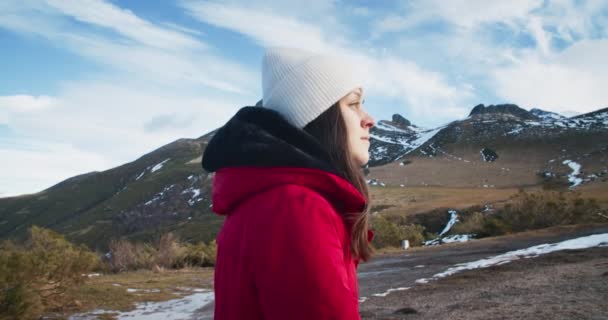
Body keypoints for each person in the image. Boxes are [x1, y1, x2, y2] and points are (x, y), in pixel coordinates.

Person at [202, 47, 376, 319]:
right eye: (353, 103)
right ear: (318, 115)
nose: (369, 120)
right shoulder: (296, 207)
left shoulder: (266, 200)